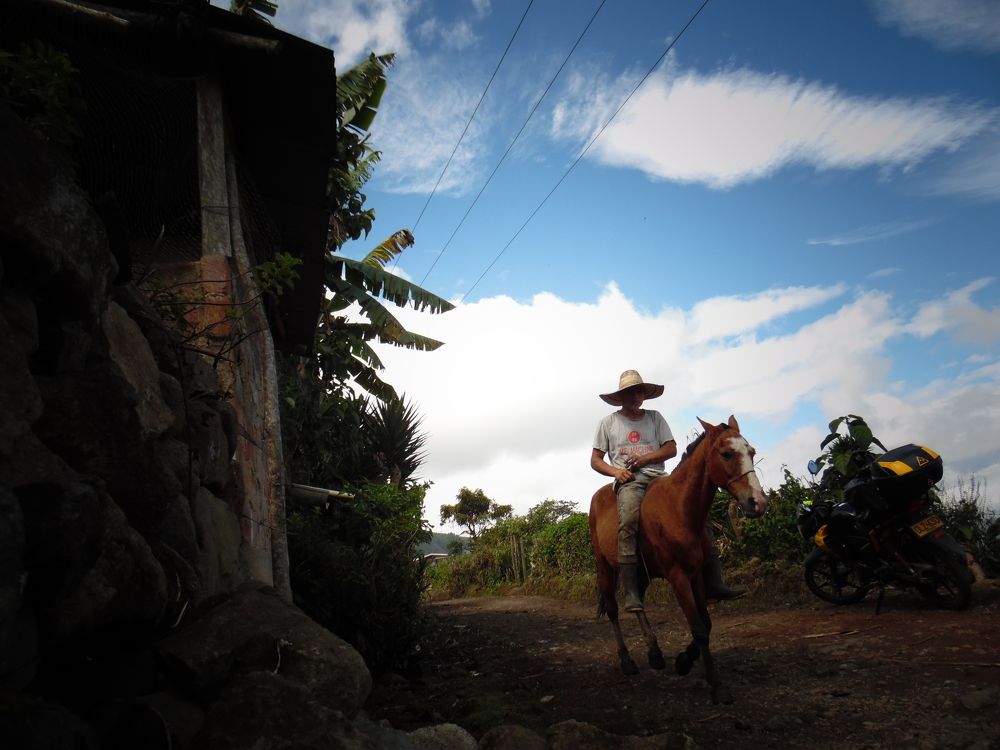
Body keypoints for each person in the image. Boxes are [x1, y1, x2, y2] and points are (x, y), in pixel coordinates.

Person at [591, 369, 746, 611]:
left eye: (639, 391)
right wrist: (616, 472)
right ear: (621, 396)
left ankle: (714, 582)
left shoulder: (655, 418)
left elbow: (671, 449)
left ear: (644, 394)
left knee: (697, 514)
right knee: (629, 519)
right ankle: (631, 590)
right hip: (629, 481)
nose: (636, 396)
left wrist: (645, 459)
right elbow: (596, 460)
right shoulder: (608, 423)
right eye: (630, 392)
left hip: (659, 478)